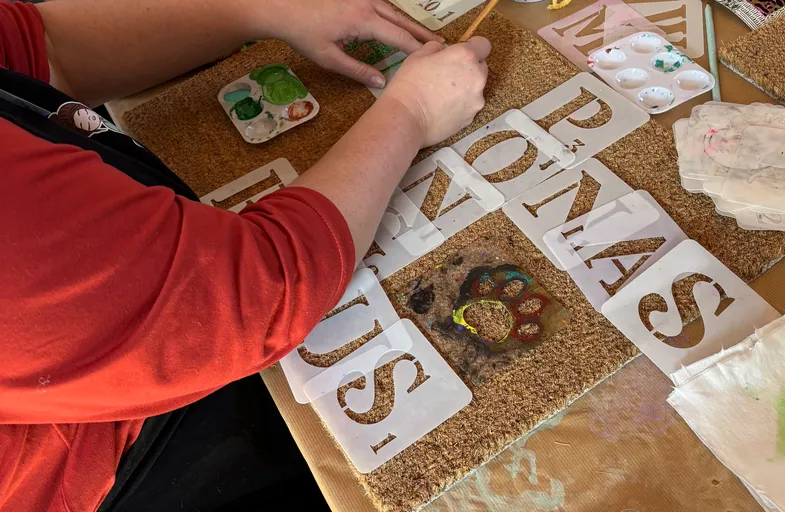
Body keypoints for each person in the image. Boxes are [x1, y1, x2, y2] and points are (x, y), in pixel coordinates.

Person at [0, 0, 490, 510]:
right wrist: (412, 113)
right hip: (96, 459)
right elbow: (261, 289)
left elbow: (44, 46)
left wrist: (263, 11)